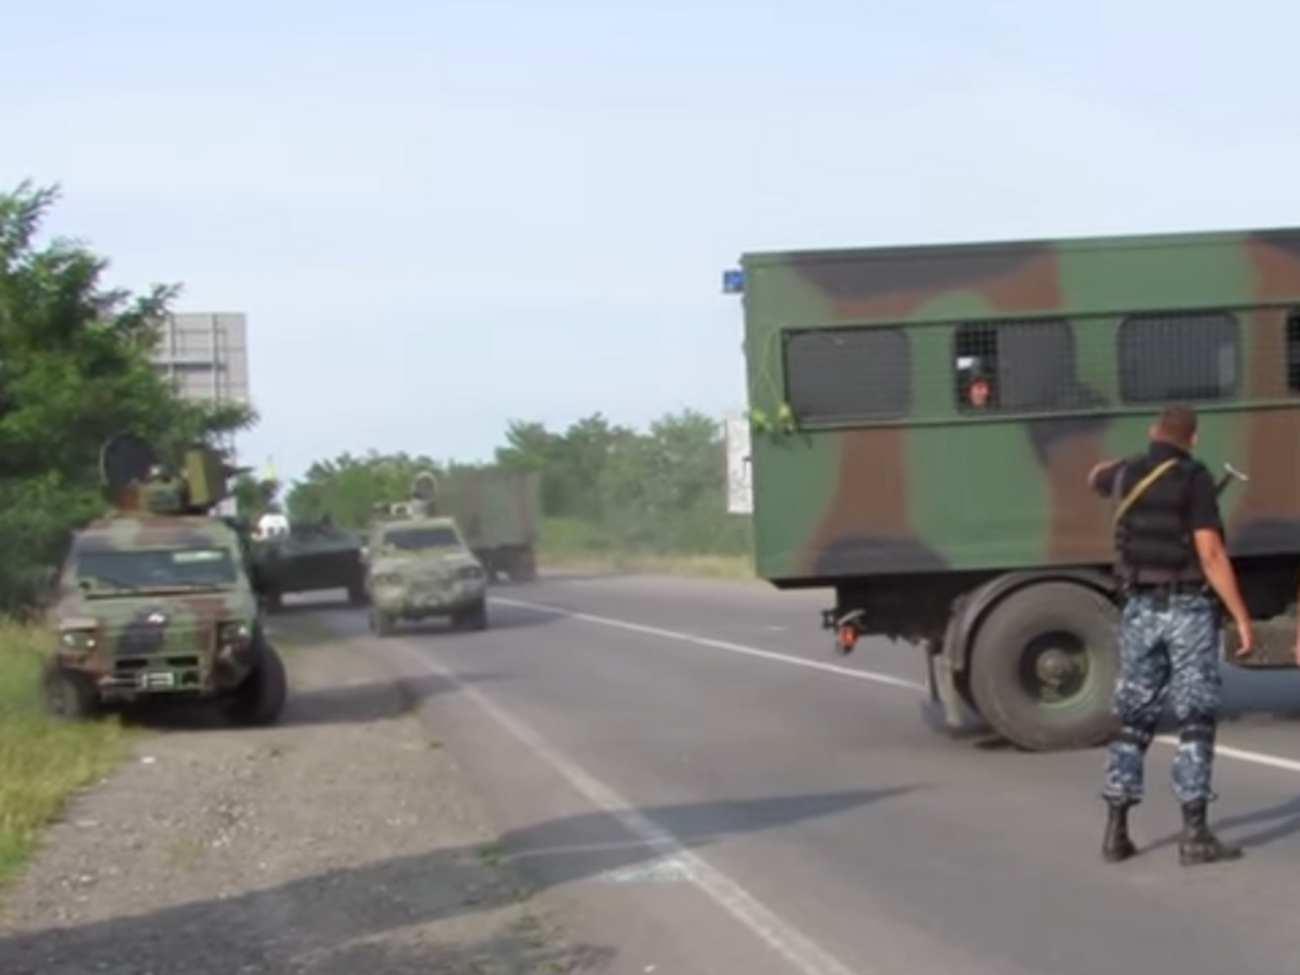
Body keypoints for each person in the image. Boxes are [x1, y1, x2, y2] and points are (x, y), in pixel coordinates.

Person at [1087, 403, 1254, 867]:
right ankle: (1195, 834)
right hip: (1187, 609)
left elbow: (1095, 475)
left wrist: (1125, 464)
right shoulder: (1195, 478)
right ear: (1193, 439)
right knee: (1195, 717)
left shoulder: (1124, 474)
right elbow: (1211, 552)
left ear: (1154, 431)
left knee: (1132, 720)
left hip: (1139, 607)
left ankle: (1116, 832)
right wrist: (1240, 615)